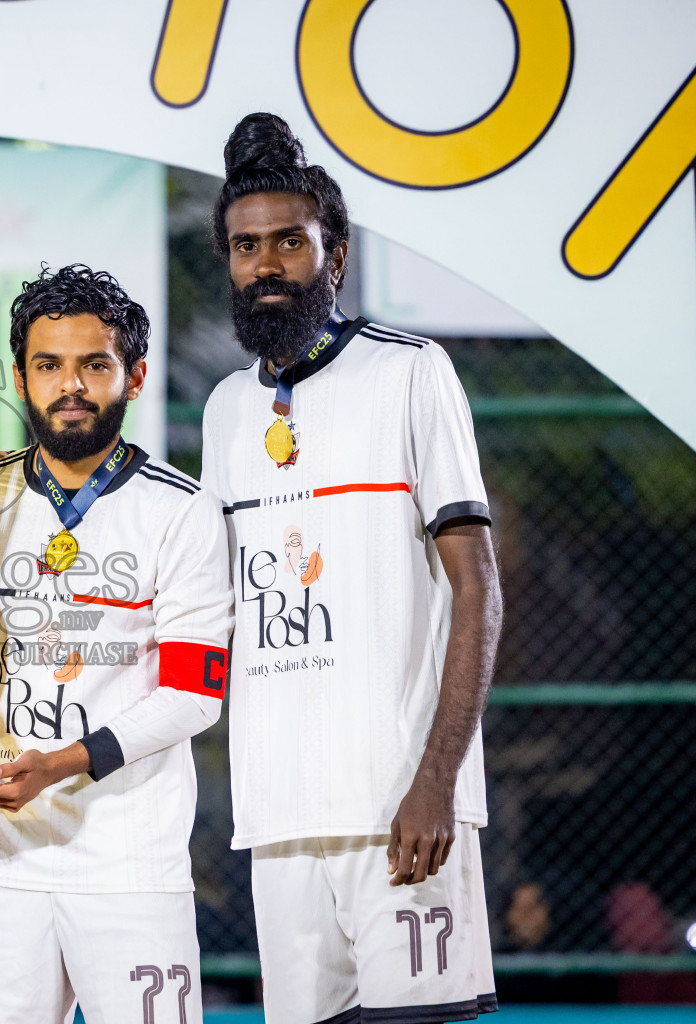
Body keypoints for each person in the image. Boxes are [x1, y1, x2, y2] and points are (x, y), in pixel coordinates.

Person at [0, 265, 234, 1024]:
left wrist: (57, 765)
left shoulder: (182, 511)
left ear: (135, 375)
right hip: (5, 855)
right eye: (49, 365)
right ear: (21, 378)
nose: (72, 386)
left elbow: (194, 694)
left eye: (95, 365)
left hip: (130, 859)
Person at [202, 114, 503, 1024]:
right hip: (279, 822)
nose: (265, 265)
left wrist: (436, 781)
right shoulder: (222, 411)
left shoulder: (412, 373)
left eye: (289, 242)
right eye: (245, 245)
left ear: (334, 258)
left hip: (401, 809)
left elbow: (478, 590)